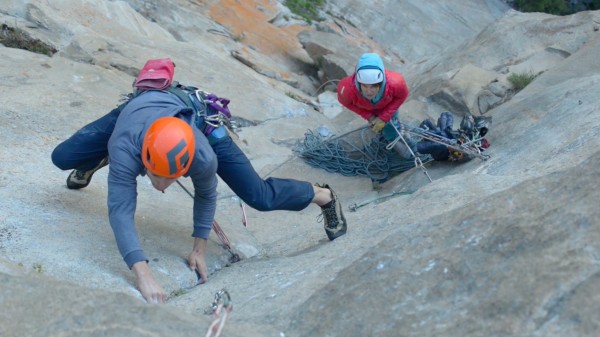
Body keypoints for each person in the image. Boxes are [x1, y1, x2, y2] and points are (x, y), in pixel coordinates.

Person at [51, 67, 347, 304]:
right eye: (155, 175)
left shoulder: (202, 156)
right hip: (137, 114)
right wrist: (142, 273)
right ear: (143, 159)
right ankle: (99, 157)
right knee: (62, 157)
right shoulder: (125, 145)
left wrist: (199, 247)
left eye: (171, 178)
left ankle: (323, 196)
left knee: (259, 196)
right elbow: (120, 209)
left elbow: (206, 195)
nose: (162, 187)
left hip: (198, 121)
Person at [337, 52, 455, 161]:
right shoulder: (347, 90)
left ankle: (403, 140)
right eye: (365, 86)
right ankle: (397, 139)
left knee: (391, 125)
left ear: (380, 82)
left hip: (387, 104)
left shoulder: (395, 83)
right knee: (386, 128)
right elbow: (346, 102)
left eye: (373, 86)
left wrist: (384, 117)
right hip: (369, 108)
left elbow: (402, 96)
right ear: (358, 83)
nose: (369, 91)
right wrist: (369, 116)